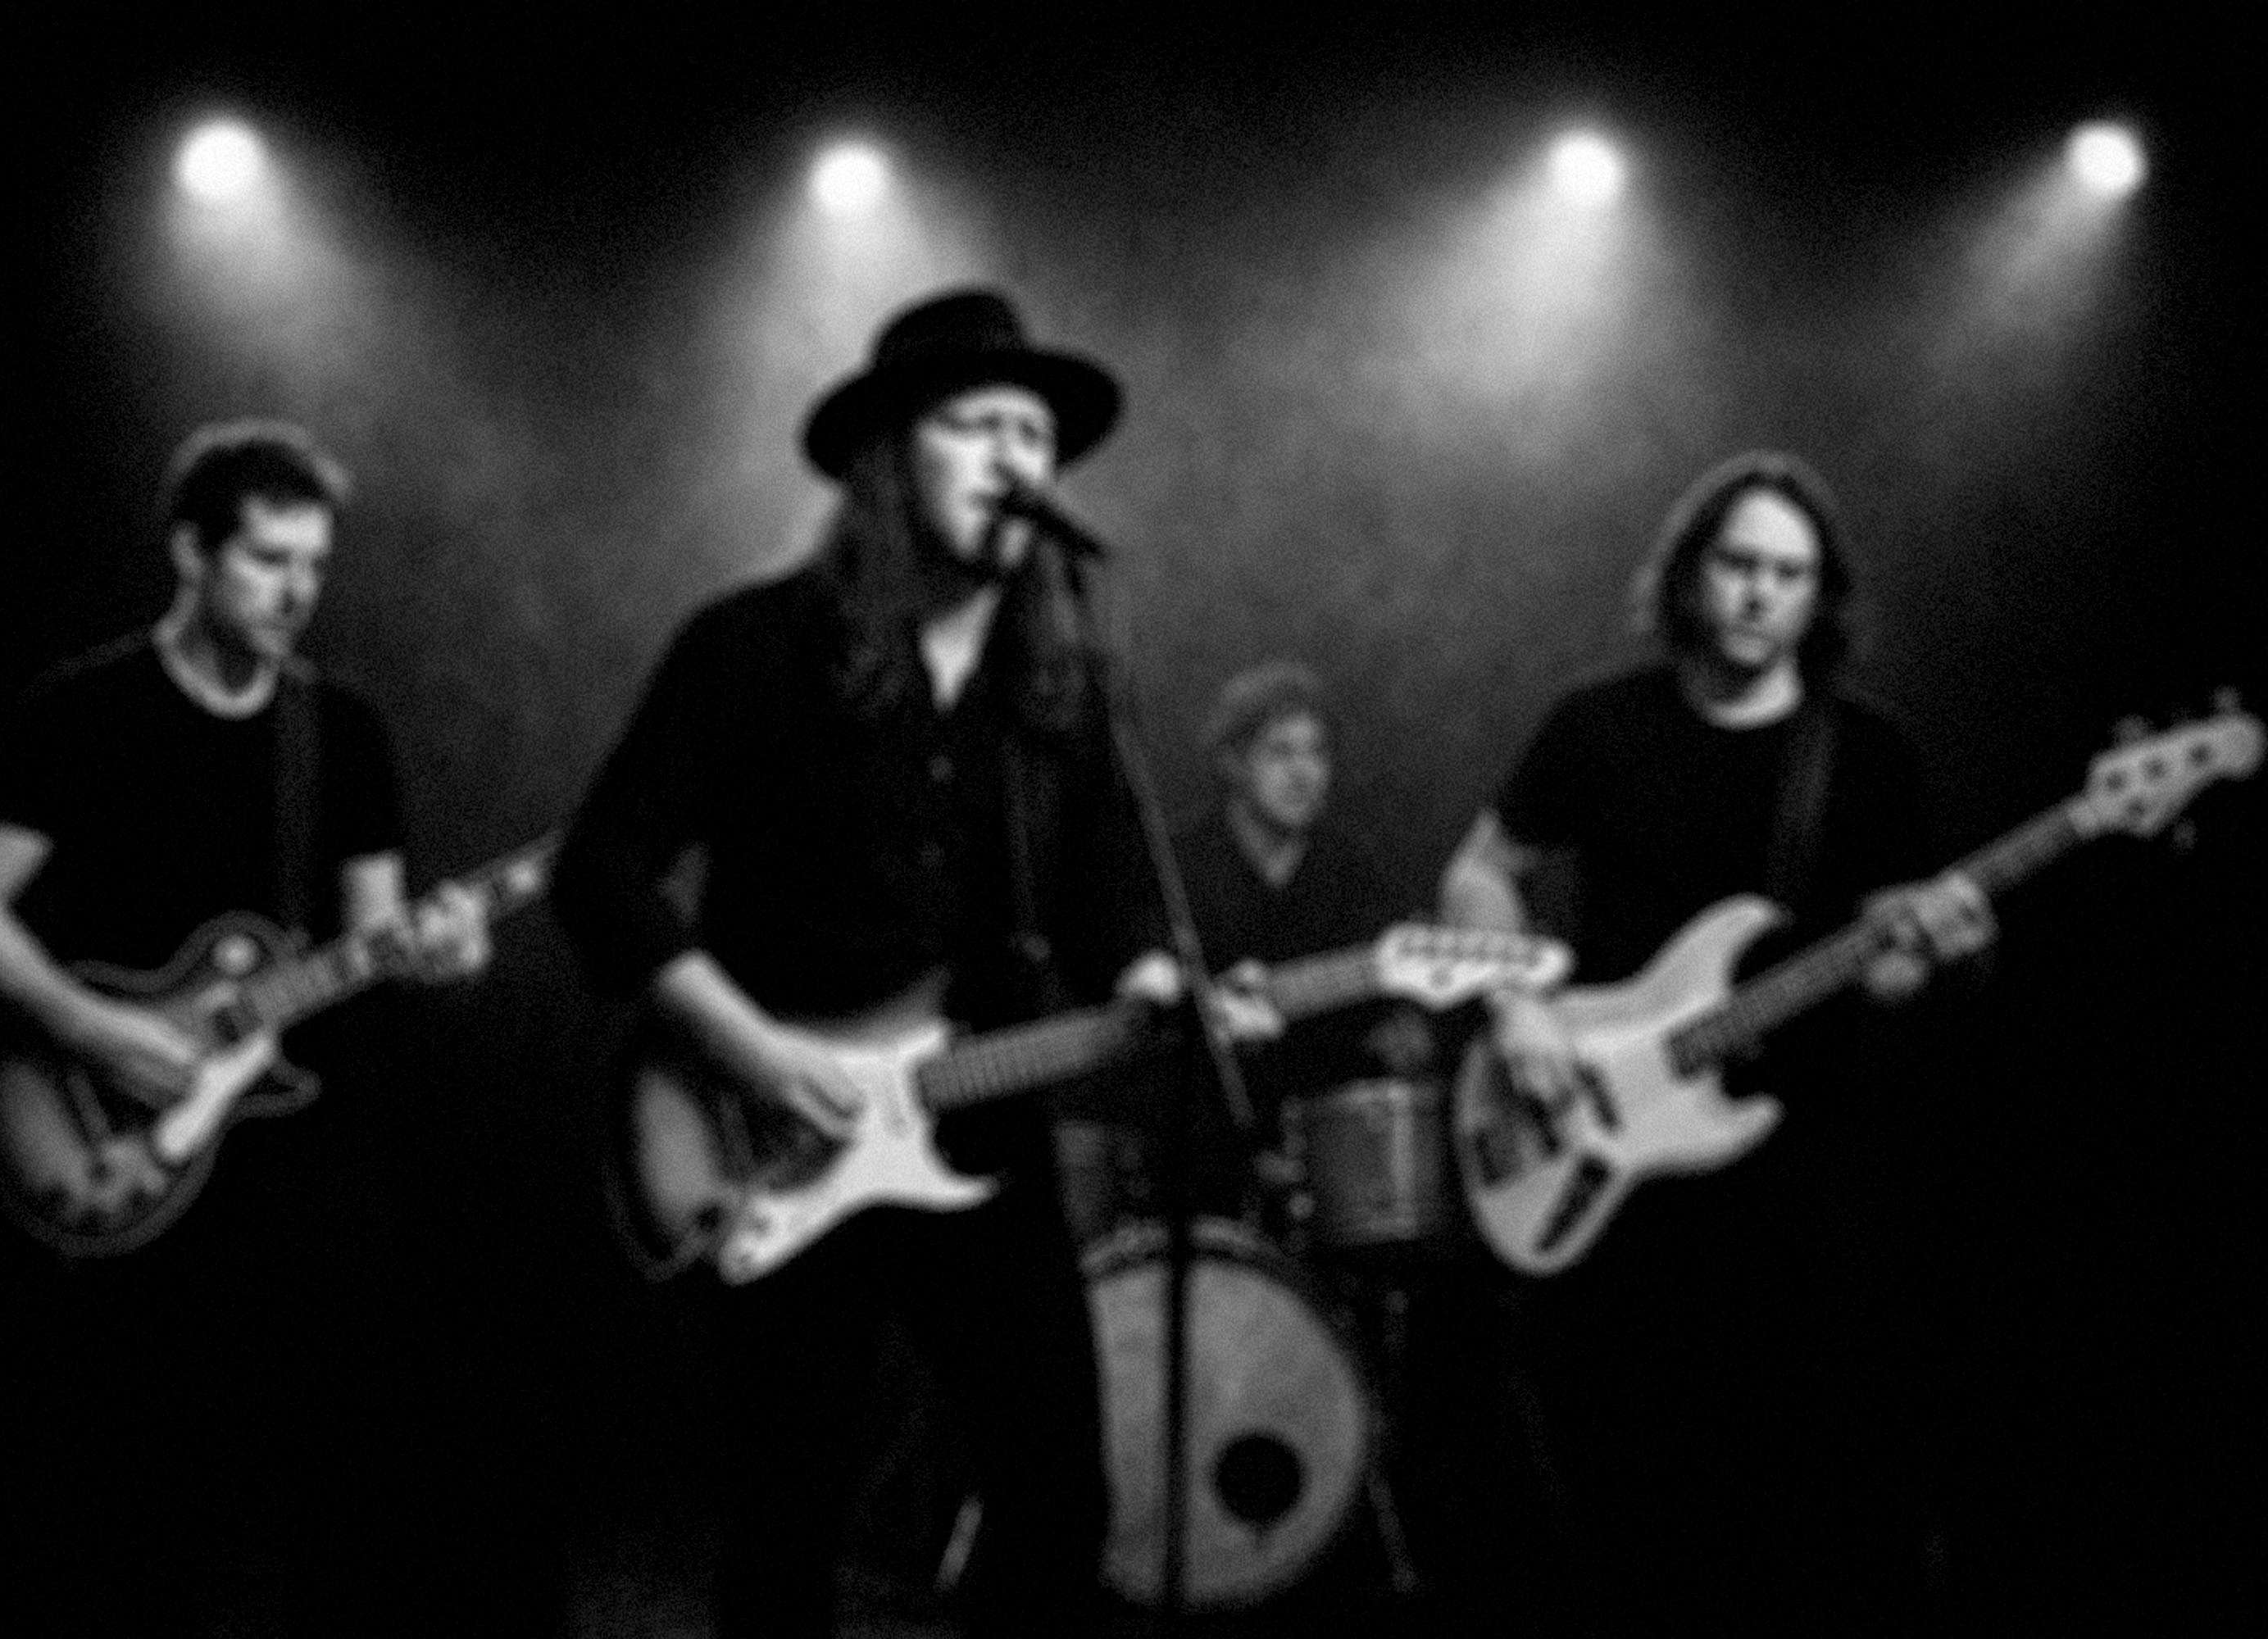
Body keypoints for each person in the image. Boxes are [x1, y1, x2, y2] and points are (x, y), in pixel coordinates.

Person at [551, 288, 1196, 1637]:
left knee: (1059, 1497)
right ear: (892, 459)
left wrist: (1149, 982)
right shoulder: (751, 648)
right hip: (770, 1131)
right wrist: (757, 1056)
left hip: (982, 1132)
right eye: (979, 425)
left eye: (1038, 433)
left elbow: (1118, 897)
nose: (1020, 459)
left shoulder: (1064, 693)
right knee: (787, 1517)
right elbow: (600, 871)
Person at [0, 418, 491, 1636]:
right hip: (108, 1123)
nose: (298, 593)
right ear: (190, 551)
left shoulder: (340, 732)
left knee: (333, 1488)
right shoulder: (79, 713)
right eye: (268, 561)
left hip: (290, 1148)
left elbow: (372, 939)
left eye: (315, 566)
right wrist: (89, 1031)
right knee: (126, 1498)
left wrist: (441, 953)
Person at [1439, 450, 1994, 1628]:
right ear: (1689, 574)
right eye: (1738, 563)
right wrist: (1516, 1005)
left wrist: (1925, 959)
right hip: (1607, 1166)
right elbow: (1481, 870)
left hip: (1799, 1196)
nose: (1758, 594)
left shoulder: (1869, 756)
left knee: (1800, 1524)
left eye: (1788, 574)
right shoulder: (1598, 724)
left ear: (1819, 598)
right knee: (1625, 1517)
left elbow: (1888, 974)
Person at [1166, 660, 1426, 1214]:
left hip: (1332, 1161)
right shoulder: (1176, 868)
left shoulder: (1353, 869)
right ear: (1234, 764)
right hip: (1200, 1160)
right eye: (1281, 752)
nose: (1303, 772)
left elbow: (1399, 1007)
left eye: (1316, 753)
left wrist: (1407, 1029)